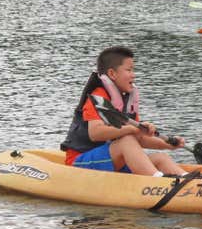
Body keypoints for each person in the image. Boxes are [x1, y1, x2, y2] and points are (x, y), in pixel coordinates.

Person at [61, 46, 188, 177]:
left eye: (133, 70)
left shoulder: (127, 101)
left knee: (161, 158)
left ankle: (188, 181)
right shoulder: (97, 97)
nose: (133, 74)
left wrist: (168, 144)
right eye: (129, 70)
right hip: (81, 162)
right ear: (112, 74)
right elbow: (95, 133)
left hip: (111, 159)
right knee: (126, 140)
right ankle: (157, 182)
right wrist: (132, 130)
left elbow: (141, 138)